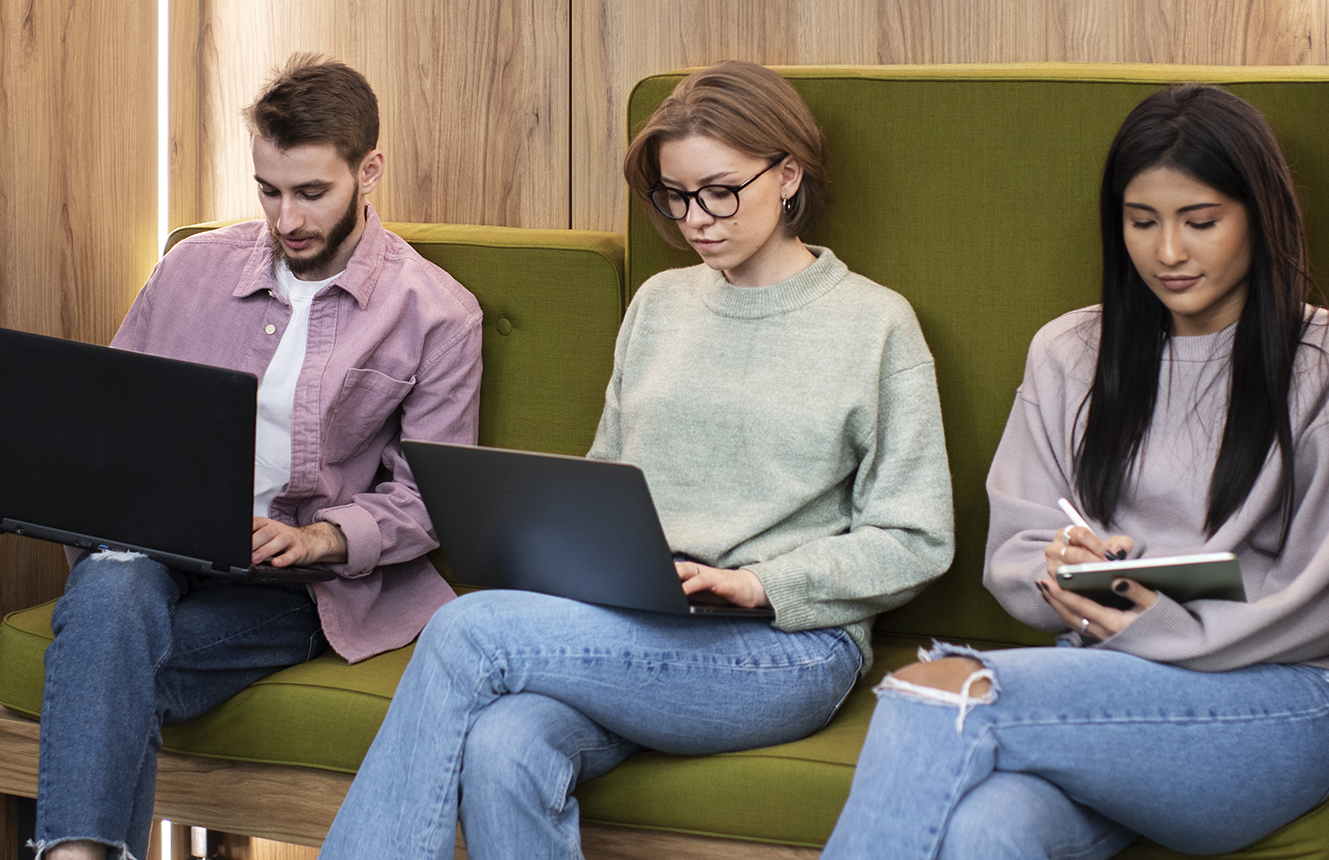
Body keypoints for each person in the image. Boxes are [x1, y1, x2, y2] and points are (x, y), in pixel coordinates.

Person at [317, 60, 955, 860]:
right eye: (675, 196)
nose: (697, 219)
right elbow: (605, 475)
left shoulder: (875, 326)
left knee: (466, 631)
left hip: (786, 645)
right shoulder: (660, 305)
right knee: (504, 745)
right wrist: (561, 544)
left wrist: (764, 583)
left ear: (788, 176)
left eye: (720, 190)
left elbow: (917, 536)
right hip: (639, 621)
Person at [820, 83, 1329, 860]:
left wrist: (1155, 625)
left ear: (1261, 218)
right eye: (1141, 222)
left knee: (940, 689)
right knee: (987, 834)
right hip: (1106, 681)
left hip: (1277, 702)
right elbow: (1018, 553)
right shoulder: (1070, 352)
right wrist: (1059, 568)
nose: (1168, 252)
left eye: (1201, 222)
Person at [32, 55, 483, 860]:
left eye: (312, 192)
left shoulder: (437, 313)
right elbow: (107, 418)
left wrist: (320, 539)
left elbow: (428, 501)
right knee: (112, 579)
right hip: (161, 552)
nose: (288, 218)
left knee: (104, 667)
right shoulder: (192, 269)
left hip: (295, 587)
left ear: (369, 169)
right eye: (269, 190)